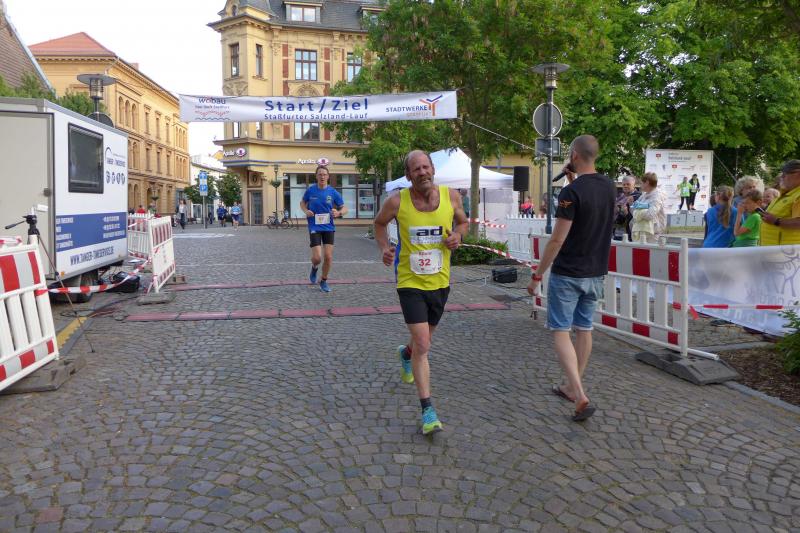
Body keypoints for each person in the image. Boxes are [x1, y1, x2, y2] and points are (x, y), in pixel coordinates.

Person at [374, 150, 468, 435]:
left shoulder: (451, 197)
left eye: (426, 167)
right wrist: (384, 248)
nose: (422, 172)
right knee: (424, 344)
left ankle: (406, 354)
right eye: (416, 169)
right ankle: (428, 410)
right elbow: (379, 223)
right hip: (410, 282)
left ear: (433, 169)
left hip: (440, 282)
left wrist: (458, 235)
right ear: (408, 175)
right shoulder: (397, 201)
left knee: (420, 342)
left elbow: (463, 222)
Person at [526, 135, 615, 423]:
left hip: (568, 272)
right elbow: (591, 207)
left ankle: (578, 393)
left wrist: (537, 274)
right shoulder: (609, 186)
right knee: (584, 329)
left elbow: (557, 239)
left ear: (574, 155)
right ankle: (570, 386)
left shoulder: (570, 192)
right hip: (596, 271)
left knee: (561, 330)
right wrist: (573, 181)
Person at [301, 165, 348, 292]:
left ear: (328, 176)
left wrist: (339, 213)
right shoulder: (310, 190)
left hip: (328, 227)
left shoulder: (333, 192)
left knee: (328, 257)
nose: (322, 176)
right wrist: (306, 211)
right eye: (320, 174)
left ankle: (324, 280)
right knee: (317, 258)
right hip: (314, 226)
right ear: (316, 176)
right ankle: (314, 267)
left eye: (324, 174)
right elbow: (302, 203)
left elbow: (344, 208)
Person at [761, 159, 800, 246]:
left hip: (785, 252)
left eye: (785, 174)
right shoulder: (787, 194)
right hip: (776, 249)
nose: (781, 177)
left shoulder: (798, 196)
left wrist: (776, 221)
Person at [630, 172, 666, 244]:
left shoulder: (657, 197)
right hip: (640, 231)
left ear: (647, 183)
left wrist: (639, 209)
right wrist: (643, 207)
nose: (640, 185)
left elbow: (650, 215)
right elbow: (633, 210)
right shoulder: (644, 195)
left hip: (653, 234)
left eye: (641, 183)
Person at [614, 176, 641, 241]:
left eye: (628, 184)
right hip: (621, 232)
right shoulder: (621, 197)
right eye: (624, 185)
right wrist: (617, 211)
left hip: (634, 233)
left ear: (634, 185)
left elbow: (638, 218)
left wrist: (626, 213)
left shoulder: (638, 197)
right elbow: (620, 221)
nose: (625, 186)